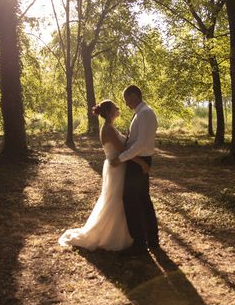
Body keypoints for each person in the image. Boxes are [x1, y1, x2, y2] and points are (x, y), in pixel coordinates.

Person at [58, 100, 149, 251]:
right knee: (116, 199)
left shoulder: (110, 127)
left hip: (118, 165)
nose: (118, 108)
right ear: (108, 112)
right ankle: (112, 235)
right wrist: (141, 163)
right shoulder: (108, 129)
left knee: (120, 199)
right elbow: (122, 151)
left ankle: (124, 233)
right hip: (116, 167)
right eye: (115, 107)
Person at [110, 85, 159, 254]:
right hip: (137, 160)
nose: (126, 104)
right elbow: (136, 140)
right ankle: (150, 239)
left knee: (132, 200)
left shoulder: (145, 113)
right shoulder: (141, 112)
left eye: (126, 100)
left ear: (133, 96)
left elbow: (142, 143)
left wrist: (121, 158)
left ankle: (140, 242)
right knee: (142, 199)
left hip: (139, 161)